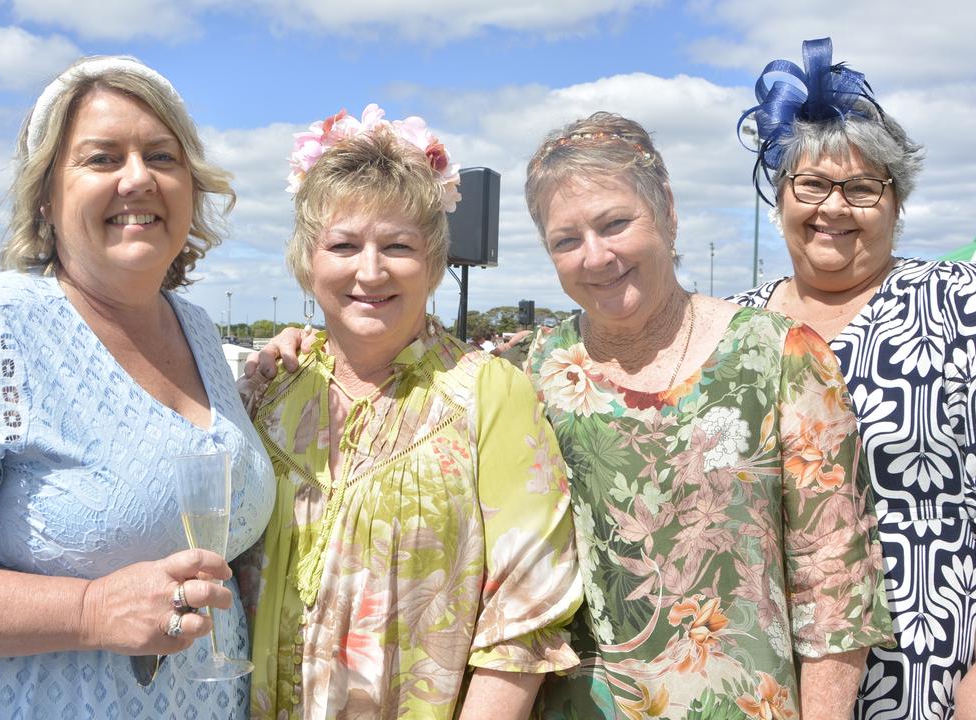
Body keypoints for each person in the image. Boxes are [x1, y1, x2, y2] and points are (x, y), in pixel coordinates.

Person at [244, 111, 893, 719]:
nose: (596, 256)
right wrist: (289, 349)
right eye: (566, 239)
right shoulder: (536, 369)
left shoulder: (777, 357)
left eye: (615, 224)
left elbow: (836, 587)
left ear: (666, 212)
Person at [0, 56, 275, 719]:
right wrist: (89, 610)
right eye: (103, 159)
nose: (138, 178)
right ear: (46, 196)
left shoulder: (198, 332)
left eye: (162, 156)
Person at [729, 38, 976, 720]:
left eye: (862, 187)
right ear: (779, 197)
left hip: (939, 675)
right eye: (810, 185)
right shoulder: (737, 325)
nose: (833, 207)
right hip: (772, 681)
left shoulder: (967, 303)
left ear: (896, 203)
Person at [241, 104, 581, 719]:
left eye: (397, 245)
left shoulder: (488, 393)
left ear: (433, 262)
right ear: (307, 261)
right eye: (343, 244)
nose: (369, 272)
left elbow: (527, 608)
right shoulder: (268, 391)